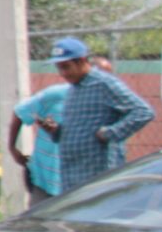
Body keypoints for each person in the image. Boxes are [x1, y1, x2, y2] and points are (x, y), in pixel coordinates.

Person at [47, 36, 153, 194]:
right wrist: (56, 131)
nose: (63, 73)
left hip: (97, 175)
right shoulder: (73, 89)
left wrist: (110, 133)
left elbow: (143, 112)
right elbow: (80, 126)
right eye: (59, 68)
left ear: (82, 61)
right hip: (71, 176)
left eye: (66, 67)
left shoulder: (103, 83)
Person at [7, 78, 70, 203]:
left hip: (76, 182)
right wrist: (12, 148)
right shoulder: (56, 95)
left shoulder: (104, 104)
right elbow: (20, 112)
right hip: (45, 179)